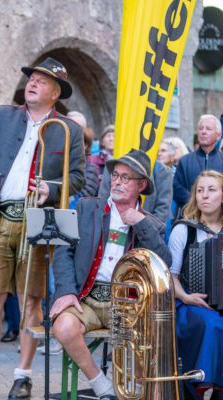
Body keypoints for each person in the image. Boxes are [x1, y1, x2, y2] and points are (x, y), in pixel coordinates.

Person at [0, 57, 85, 399]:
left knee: (31, 302)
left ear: (55, 93)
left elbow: (79, 178)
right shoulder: (1, 115)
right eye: (31, 79)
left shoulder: (68, 129)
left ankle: (23, 376)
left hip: (37, 221)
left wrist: (51, 189)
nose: (33, 83)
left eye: (42, 81)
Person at [50, 149, 171, 400]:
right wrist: (66, 291)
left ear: (141, 185)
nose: (117, 182)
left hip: (128, 305)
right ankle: (102, 386)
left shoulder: (152, 223)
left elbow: (164, 264)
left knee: (144, 348)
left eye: (126, 178)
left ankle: (138, 392)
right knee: (64, 327)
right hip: (87, 298)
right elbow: (63, 251)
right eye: (115, 175)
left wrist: (140, 223)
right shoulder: (85, 207)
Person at [167, 170, 223, 400]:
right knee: (211, 325)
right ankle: (197, 389)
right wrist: (186, 297)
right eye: (200, 190)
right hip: (191, 304)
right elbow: (171, 276)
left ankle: (221, 390)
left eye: (211, 190)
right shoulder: (183, 230)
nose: (205, 195)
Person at [173, 115, 223, 210]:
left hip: (220, 216)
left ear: (218, 135)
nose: (203, 132)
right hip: (190, 214)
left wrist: (214, 207)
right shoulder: (184, 161)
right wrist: (197, 203)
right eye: (200, 128)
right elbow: (177, 188)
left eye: (208, 129)